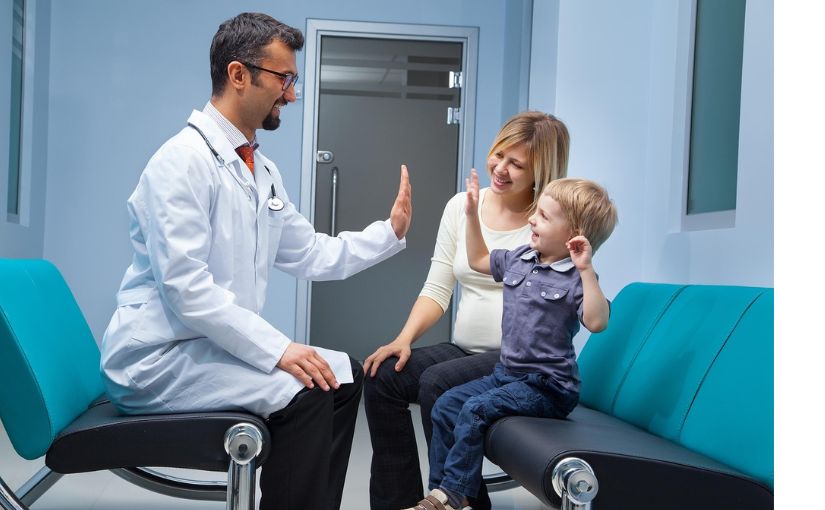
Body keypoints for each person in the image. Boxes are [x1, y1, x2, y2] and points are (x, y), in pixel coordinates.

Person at [98, 13, 411, 510]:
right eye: (283, 79)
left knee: (343, 376)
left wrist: (387, 235)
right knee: (308, 390)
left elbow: (309, 251)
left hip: (210, 352)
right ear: (239, 74)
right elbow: (186, 290)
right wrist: (279, 349)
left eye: (293, 82)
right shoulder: (180, 162)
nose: (290, 94)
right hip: (159, 359)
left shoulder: (258, 168)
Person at [362, 111, 570, 510]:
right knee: (383, 376)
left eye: (517, 164)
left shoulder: (548, 223)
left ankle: (451, 500)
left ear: (541, 170)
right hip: (465, 350)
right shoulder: (463, 205)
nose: (501, 168)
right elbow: (438, 286)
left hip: (519, 361)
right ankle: (398, 503)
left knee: (438, 383)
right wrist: (403, 340)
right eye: (499, 155)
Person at [406, 174, 618, 510]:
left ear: (573, 236)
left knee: (475, 409)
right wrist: (472, 216)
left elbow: (597, 321)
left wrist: (587, 269)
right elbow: (478, 259)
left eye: (545, 217)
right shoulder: (520, 259)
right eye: (537, 211)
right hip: (507, 374)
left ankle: (452, 498)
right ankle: (441, 495)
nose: (532, 218)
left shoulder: (577, 278)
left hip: (548, 387)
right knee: (447, 404)